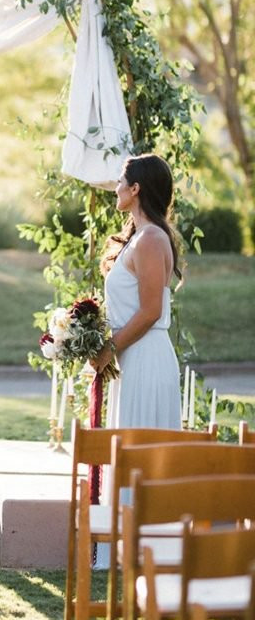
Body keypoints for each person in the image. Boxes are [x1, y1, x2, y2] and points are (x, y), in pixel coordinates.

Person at [91, 153, 182, 428]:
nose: (116, 187)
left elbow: (151, 310)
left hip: (147, 360)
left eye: (121, 181)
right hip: (131, 357)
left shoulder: (152, 238)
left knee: (140, 453)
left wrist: (109, 349)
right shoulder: (139, 238)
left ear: (135, 188)